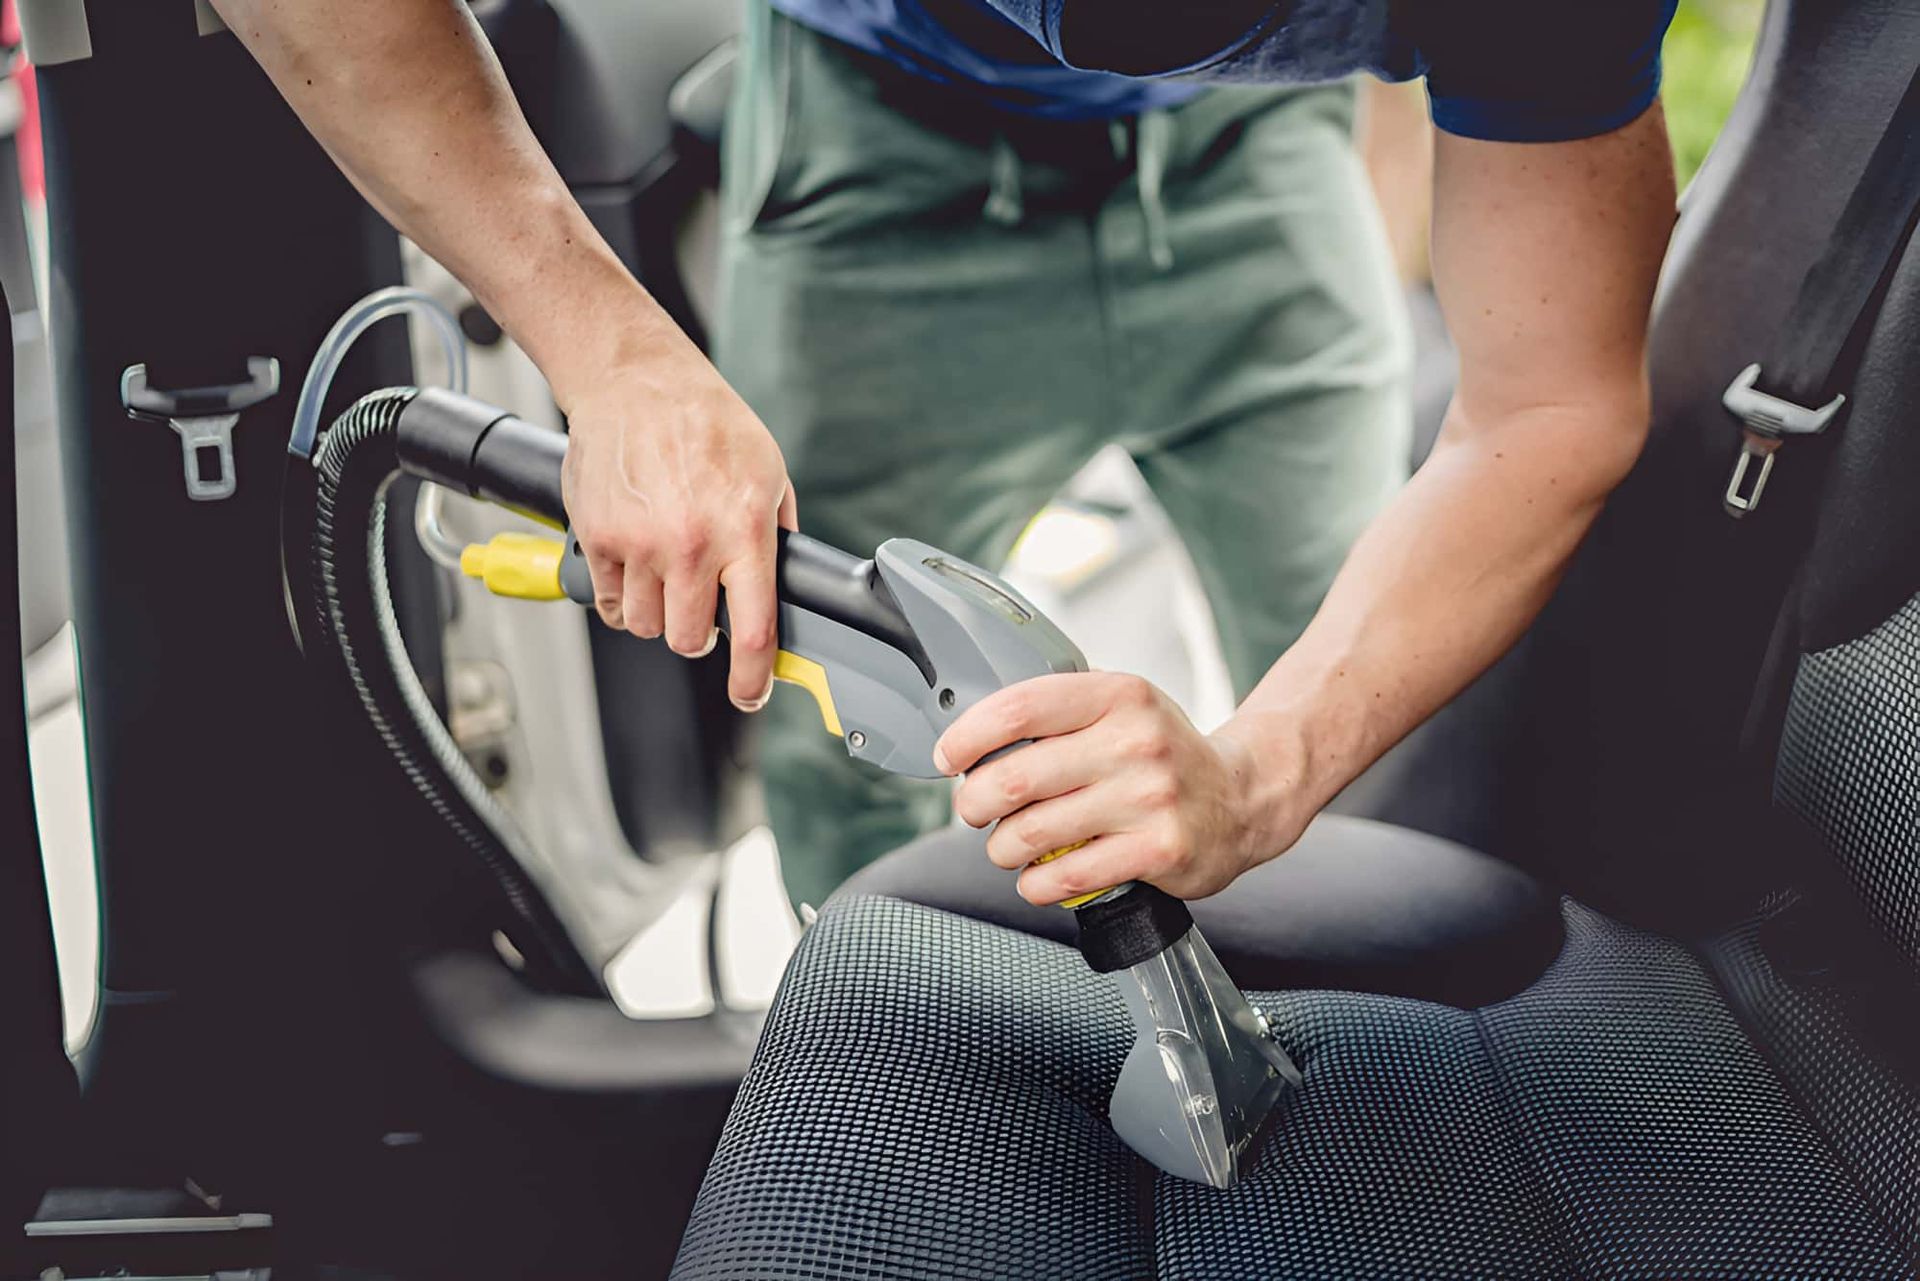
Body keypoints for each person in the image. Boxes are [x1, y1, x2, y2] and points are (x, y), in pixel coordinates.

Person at [212, 0, 1677, 915]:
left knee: (1385, 716)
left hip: (1253, 157)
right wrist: (613, 351)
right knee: (857, 733)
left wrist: (1259, 771)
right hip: (878, 149)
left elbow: (1548, 410)